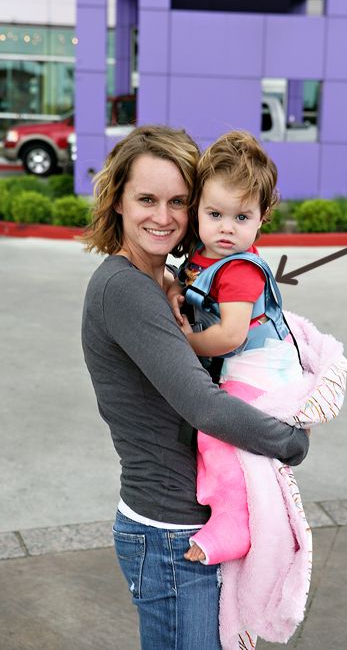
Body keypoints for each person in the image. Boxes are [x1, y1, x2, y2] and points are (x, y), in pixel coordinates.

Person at [80, 125, 310, 650]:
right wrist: (289, 441)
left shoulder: (169, 282)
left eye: (178, 201)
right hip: (167, 531)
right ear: (117, 200)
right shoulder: (124, 290)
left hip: (188, 524)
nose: (163, 216)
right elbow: (204, 405)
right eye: (146, 199)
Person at [168, 130, 305, 566]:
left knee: (216, 428)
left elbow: (230, 335)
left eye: (242, 218)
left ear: (262, 217)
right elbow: (191, 285)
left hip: (263, 373)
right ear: (198, 210)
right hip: (240, 369)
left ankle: (235, 521)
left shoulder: (241, 269)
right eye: (215, 214)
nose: (227, 228)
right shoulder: (201, 255)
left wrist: (183, 342)